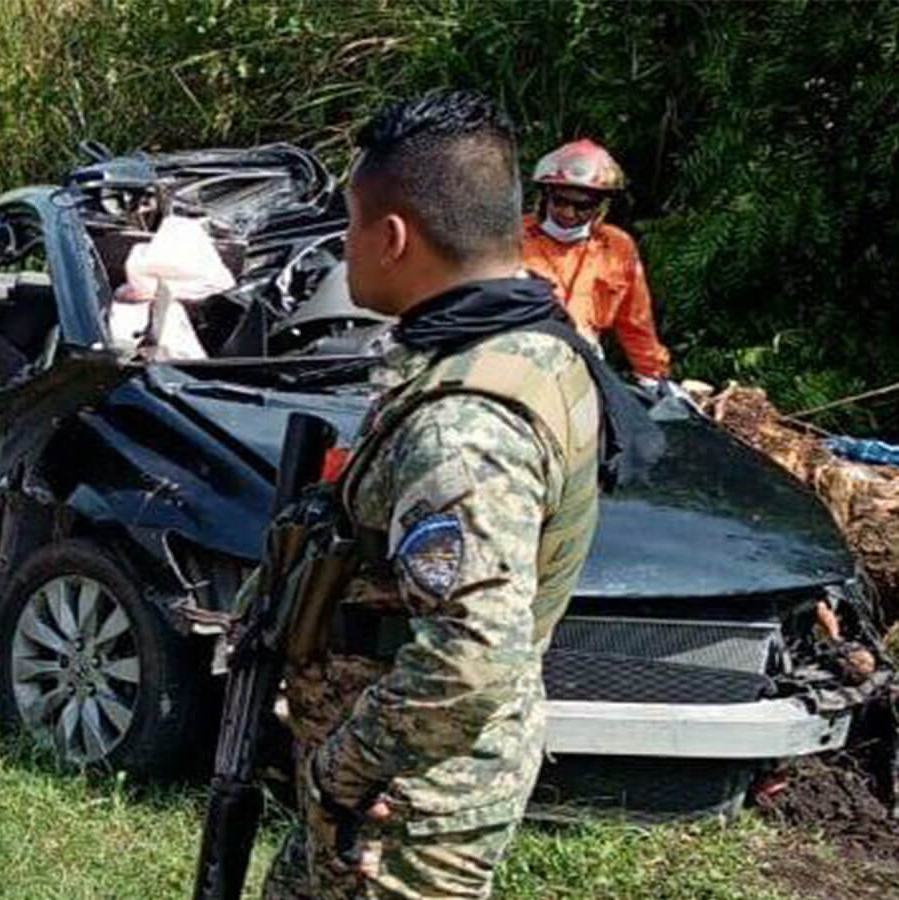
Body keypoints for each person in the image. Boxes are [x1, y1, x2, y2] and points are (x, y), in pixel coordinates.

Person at [256, 91, 648, 900]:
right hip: (403, 785)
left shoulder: (465, 425)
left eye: (351, 225)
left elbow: (474, 653)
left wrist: (341, 767)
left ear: (393, 238)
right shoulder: (534, 340)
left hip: (407, 803)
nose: (343, 246)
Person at [521, 139, 673, 385]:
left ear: (601, 206)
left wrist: (654, 377)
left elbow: (635, 322)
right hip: (518, 358)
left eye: (583, 205)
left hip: (583, 367)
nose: (569, 213)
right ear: (545, 196)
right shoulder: (509, 239)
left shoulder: (617, 246)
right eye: (561, 201)